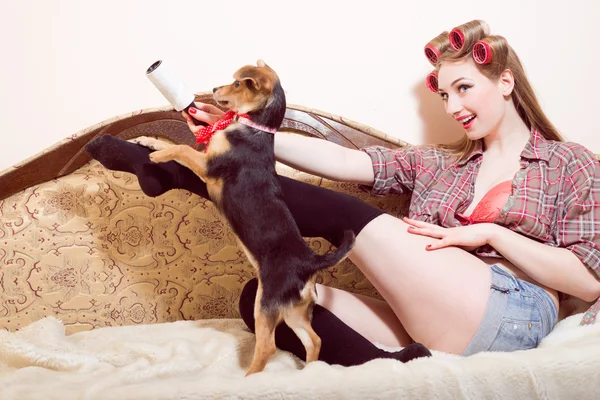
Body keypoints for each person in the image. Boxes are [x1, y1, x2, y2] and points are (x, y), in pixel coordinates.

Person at [86, 20, 600, 364]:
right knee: (270, 299)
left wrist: (490, 233)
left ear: (506, 82)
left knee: (352, 217)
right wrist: (251, 132)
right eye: (444, 94)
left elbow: (588, 281)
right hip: (431, 325)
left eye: (464, 88)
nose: (452, 105)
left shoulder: (567, 163)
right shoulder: (437, 163)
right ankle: (399, 365)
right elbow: (346, 161)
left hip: (510, 315)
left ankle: (179, 176)